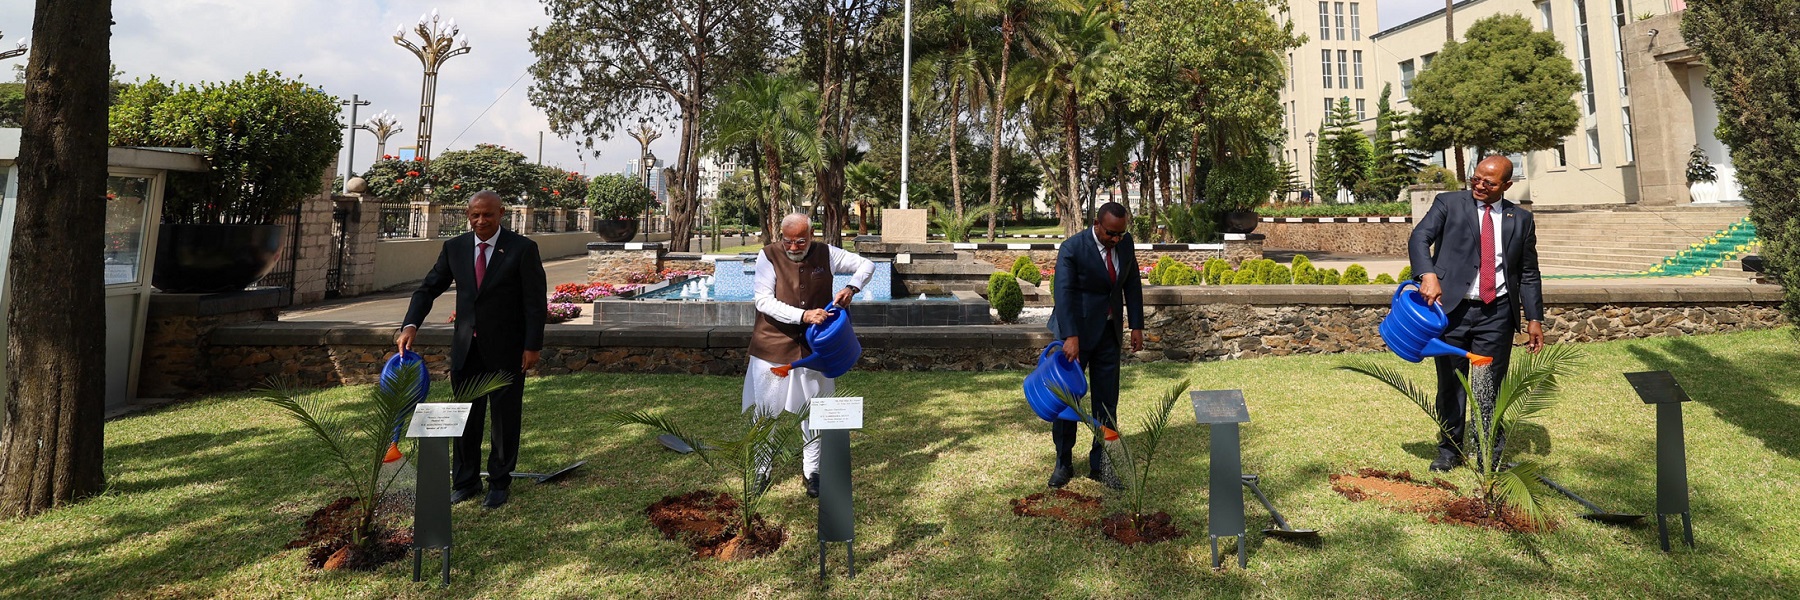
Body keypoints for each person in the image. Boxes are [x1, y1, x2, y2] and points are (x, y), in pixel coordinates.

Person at [397, 191, 547, 508]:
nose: (481, 221)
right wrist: (411, 324)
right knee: (464, 417)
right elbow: (428, 289)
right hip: (467, 349)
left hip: (508, 350)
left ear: (501, 213)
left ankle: (499, 483)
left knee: (505, 420)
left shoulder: (522, 249)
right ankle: (465, 482)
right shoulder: (455, 248)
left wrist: (532, 345)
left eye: (488, 215)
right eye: (475, 215)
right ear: (468, 214)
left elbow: (535, 304)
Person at [1407, 155, 1546, 473]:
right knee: (1452, 384)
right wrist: (1427, 274)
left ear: (1506, 185)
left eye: (1490, 182)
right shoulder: (1448, 204)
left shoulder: (1520, 219)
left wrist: (1534, 318)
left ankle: (1489, 455)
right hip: (1451, 312)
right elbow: (1419, 237)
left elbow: (1528, 272)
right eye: (1476, 177)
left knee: (1489, 386)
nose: (1480, 185)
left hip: (1496, 314)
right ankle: (1449, 450)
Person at [744, 213, 874, 498]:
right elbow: (763, 300)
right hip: (772, 347)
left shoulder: (827, 254)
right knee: (767, 413)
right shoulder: (767, 256)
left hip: (816, 350)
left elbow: (867, 264)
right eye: (787, 241)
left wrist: (852, 287)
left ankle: (812, 472)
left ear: (812, 235)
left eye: (800, 241)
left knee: (815, 413)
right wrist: (802, 315)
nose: (793, 247)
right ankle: (762, 471)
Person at [1047, 201, 1145, 489]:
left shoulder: (1125, 246)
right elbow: (1063, 294)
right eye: (1111, 234)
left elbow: (1132, 284)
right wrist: (1070, 336)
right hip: (1074, 337)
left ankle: (1101, 465)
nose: (1116, 239)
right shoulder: (1073, 249)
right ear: (1097, 225)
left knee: (1107, 402)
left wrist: (1136, 324)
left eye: (1121, 234)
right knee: (1067, 402)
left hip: (1108, 334)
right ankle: (1063, 463)